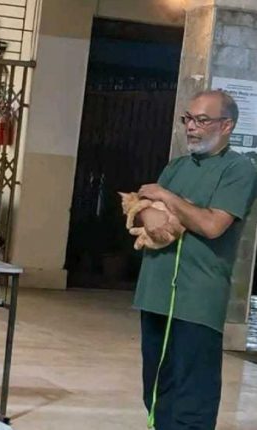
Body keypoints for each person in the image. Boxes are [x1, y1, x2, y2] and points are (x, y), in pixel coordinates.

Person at [134, 90, 257, 429]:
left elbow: (213, 225)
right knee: (156, 389)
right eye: (188, 118)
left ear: (227, 125)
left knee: (192, 396)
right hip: (155, 293)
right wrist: (151, 213)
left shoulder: (238, 170)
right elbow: (145, 208)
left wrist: (166, 198)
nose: (191, 127)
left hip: (197, 299)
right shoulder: (176, 167)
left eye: (202, 120)